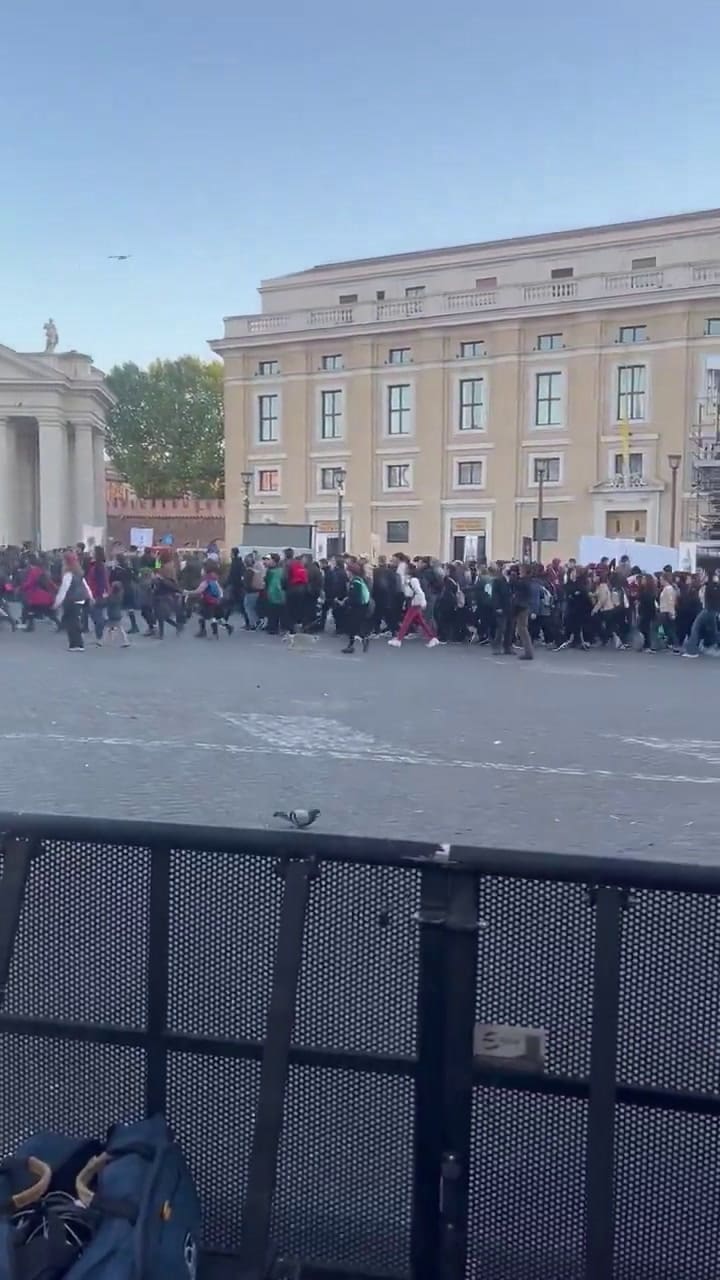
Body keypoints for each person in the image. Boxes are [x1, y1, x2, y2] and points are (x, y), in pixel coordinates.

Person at [388, 570, 439, 647]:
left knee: (406, 621)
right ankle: (432, 638)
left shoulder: (413, 580)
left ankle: (399, 639)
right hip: (415, 602)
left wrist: (423, 602)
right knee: (421, 622)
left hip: (415, 602)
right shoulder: (412, 580)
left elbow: (419, 591)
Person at [54, 552, 93, 652]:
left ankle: (75, 644)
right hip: (81, 599)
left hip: (72, 600)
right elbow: (86, 586)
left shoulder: (68, 575)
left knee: (71, 623)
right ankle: (79, 642)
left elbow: (64, 589)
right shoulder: (79, 573)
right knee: (76, 620)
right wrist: (91, 596)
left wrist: (57, 602)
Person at [683, 570, 720, 657]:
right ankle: (693, 649)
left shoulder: (713, 586)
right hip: (709, 610)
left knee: (696, 628)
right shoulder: (708, 586)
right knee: (713, 631)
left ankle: (692, 651)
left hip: (708, 610)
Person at [192, 562, 233, 638]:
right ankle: (226, 628)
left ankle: (205, 632)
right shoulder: (215, 580)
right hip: (215, 601)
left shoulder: (207, 580)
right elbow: (219, 590)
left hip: (207, 601)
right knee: (215, 617)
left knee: (205, 617)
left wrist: (191, 593)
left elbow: (200, 590)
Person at [339, 562, 373, 654]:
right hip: (361, 607)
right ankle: (355, 643)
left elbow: (354, 596)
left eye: (347, 571)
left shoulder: (355, 582)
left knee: (353, 627)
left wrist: (346, 603)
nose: (346, 573)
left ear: (351, 572)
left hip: (357, 608)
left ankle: (355, 644)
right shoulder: (359, 580)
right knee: (354, 628)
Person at [510, 564, 534, 660]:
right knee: (522, 629)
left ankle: (528, 652)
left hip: (522, 607)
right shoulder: (527, 580)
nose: (519, 571)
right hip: (523, 606)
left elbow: (516, 584)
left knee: (522, 629)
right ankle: (528, 652)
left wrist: (512, 576)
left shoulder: (525, 581)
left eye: (521, 570)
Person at [104, 580, 131, 647]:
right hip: (117, 613)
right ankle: (108, 641)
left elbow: (108, 602)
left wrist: (106, 597)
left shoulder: (112, 596)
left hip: (112, 614)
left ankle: (125, 641)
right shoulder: (120, 595)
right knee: (112, 628)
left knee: (114, 628)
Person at [658, 573, 680, 652]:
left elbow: (671, 602)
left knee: (670, 630)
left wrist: (672, 612)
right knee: (667, 629)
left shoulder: (669, 589)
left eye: (661, 579)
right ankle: (670, 644)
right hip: (664, 610)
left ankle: (676, 645)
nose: (660, 581)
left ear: (665, 580)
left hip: (667, 611)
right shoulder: (665, 588)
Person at [264, 553, 285, 635]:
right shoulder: (282, 570)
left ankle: (272, 627)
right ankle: (280, 627)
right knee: (280, 611)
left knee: (272, 612)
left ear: (273, 561)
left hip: (273, 593)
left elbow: (267, 582)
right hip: (281, 593)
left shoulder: (270, 571)